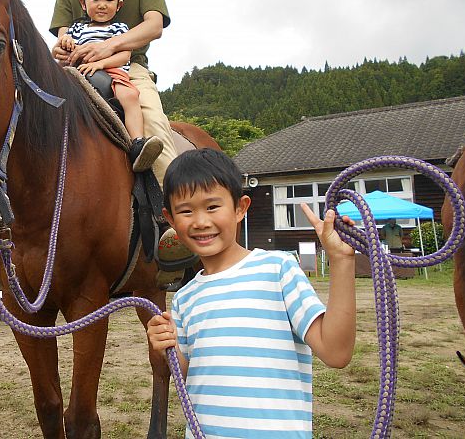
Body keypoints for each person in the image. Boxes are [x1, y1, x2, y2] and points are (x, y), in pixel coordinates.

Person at [146, 149, 356, 438]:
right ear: (170, 219)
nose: (200, 221)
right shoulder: (185, 298)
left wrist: (342, 261)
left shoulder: (278, 269)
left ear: (240, 208)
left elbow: (336, 352)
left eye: (212, 207)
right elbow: (181, 376)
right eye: (186, 210)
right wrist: (161, 347)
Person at [50, 0, 177, 186]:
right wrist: (63, 48)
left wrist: (108, 46)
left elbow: (154, 25)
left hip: (128, 70)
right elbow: (63, 36)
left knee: (156, 126)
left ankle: (172, 215)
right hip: (76, 70)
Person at [58, 0, 163, 171]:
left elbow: (124, 56)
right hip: (79, 72)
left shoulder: (119, 28)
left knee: (130, 96)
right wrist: (61, 47)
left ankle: (138, 143)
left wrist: (101, 62)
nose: (102, 5)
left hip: (114, 72)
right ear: (83, 3)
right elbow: (63, 43)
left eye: (108, 0)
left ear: (119, 5)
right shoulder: (77, 28)